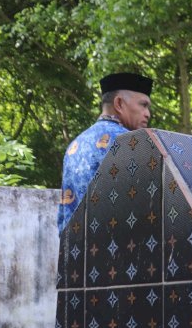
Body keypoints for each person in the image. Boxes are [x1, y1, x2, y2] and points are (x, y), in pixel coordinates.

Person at [58, 72, 152, 232]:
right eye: (143, 105)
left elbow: (65, 214)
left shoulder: (75, 145)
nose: (147, 114)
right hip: (120, 250)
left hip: (76, 252)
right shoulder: (132, 142)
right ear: (119, 103)